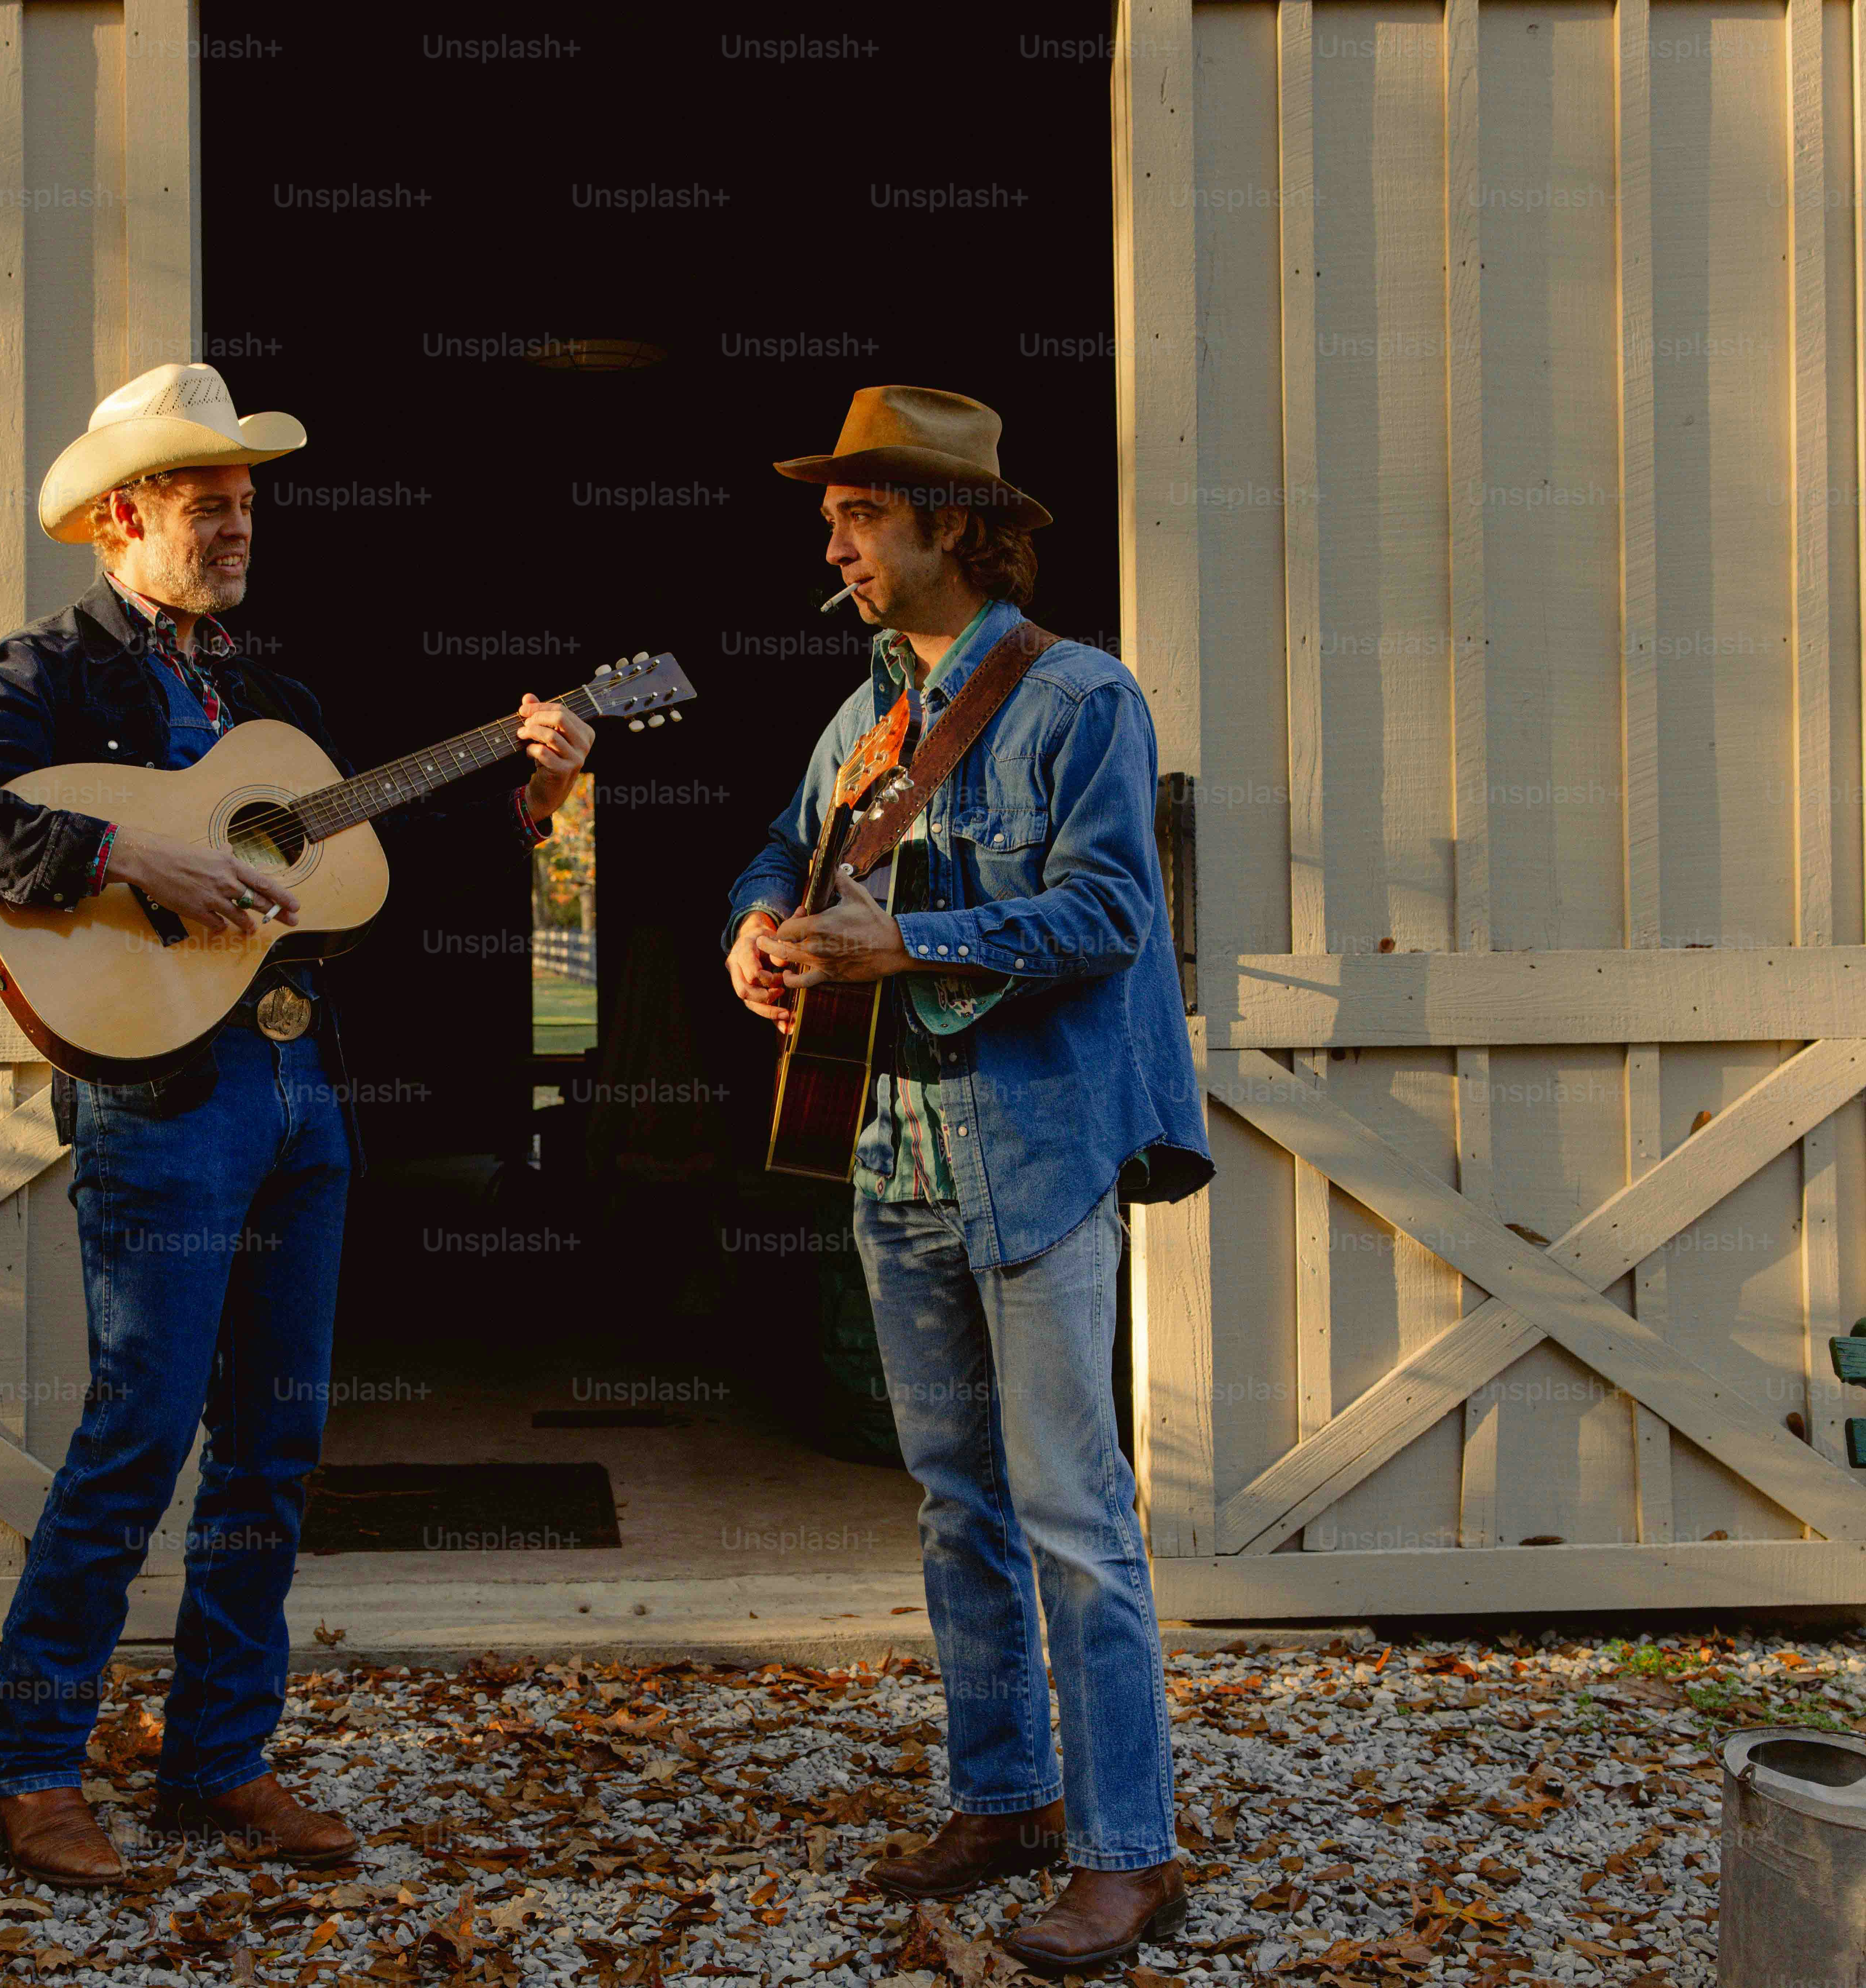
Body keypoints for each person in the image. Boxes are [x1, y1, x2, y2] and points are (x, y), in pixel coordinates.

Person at [0, 361, 593, 1883]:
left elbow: (338, 874)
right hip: (161, 1101)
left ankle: (213, 1760)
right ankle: (30, 1767)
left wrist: (519, 795)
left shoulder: (273, 704)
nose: (236, 526)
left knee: (272, 1446)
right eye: (209, 503)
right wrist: (123, 848)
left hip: (293, 1086)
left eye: (246, 501)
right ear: (122, 516)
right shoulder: (49, 671)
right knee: (139, 1431)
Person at [721, 386, 1212, 1973]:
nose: (834, 537)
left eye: (861, 511)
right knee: (953, 1508)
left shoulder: (1079, 699)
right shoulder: (858, 709)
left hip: (1037, 1154)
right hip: (889, 1155)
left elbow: (1108, 918)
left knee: (1076, 1516)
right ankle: (1002, 1794)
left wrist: (910, 936)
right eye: (834, 515)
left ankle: (1127, 1853)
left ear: (952, 524)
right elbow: (775, 847)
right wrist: (753, 926)